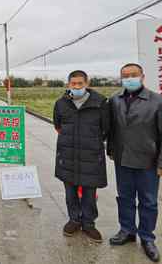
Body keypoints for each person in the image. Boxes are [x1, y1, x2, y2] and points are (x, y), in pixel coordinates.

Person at [108, 63, 162, 262]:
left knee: (148, 201)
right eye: (125, 75)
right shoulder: (115, 99)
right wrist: (111, 150)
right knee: (125, 197)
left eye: (133, 75)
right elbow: (112, 128)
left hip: (148, 161)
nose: (129, 78)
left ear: (142, 77)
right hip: (123, 160)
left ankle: (147, 237)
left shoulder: (158, 102)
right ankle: (127, 231)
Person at [53, 70, 110, 243]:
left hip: (91, 156)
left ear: (87, 83)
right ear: (68, 84)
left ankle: (89, 223)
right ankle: (74, 220)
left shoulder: (100, 103)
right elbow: (58, 126)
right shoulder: (61, 103)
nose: (77, 87)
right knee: (70, 192)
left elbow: (106, 129)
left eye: (80, 84)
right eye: (73, 84)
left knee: (89, 193)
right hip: (67, 155)